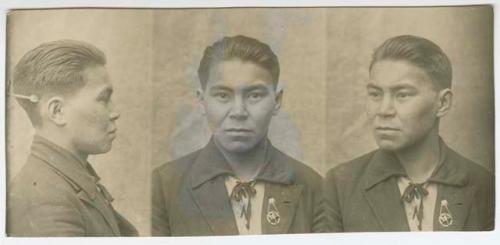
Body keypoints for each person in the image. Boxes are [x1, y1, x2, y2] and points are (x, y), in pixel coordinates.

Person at [152, 35, 325, 236]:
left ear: (277, 101)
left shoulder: (312, 186)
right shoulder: (164, 187)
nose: (239, 112)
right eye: (223, 95)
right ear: (202, 101)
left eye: (254, 95)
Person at [324, 35, 494, 232]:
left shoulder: (485, 186)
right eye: (375, 94)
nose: (383, 110)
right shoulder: (340, 185)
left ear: (443, 103)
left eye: (402, 95)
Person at [7, 40, 138, 236]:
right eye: (103, 99)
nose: (115, 112)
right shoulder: (45, 202)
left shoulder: (67, 181)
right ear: (57, 111)